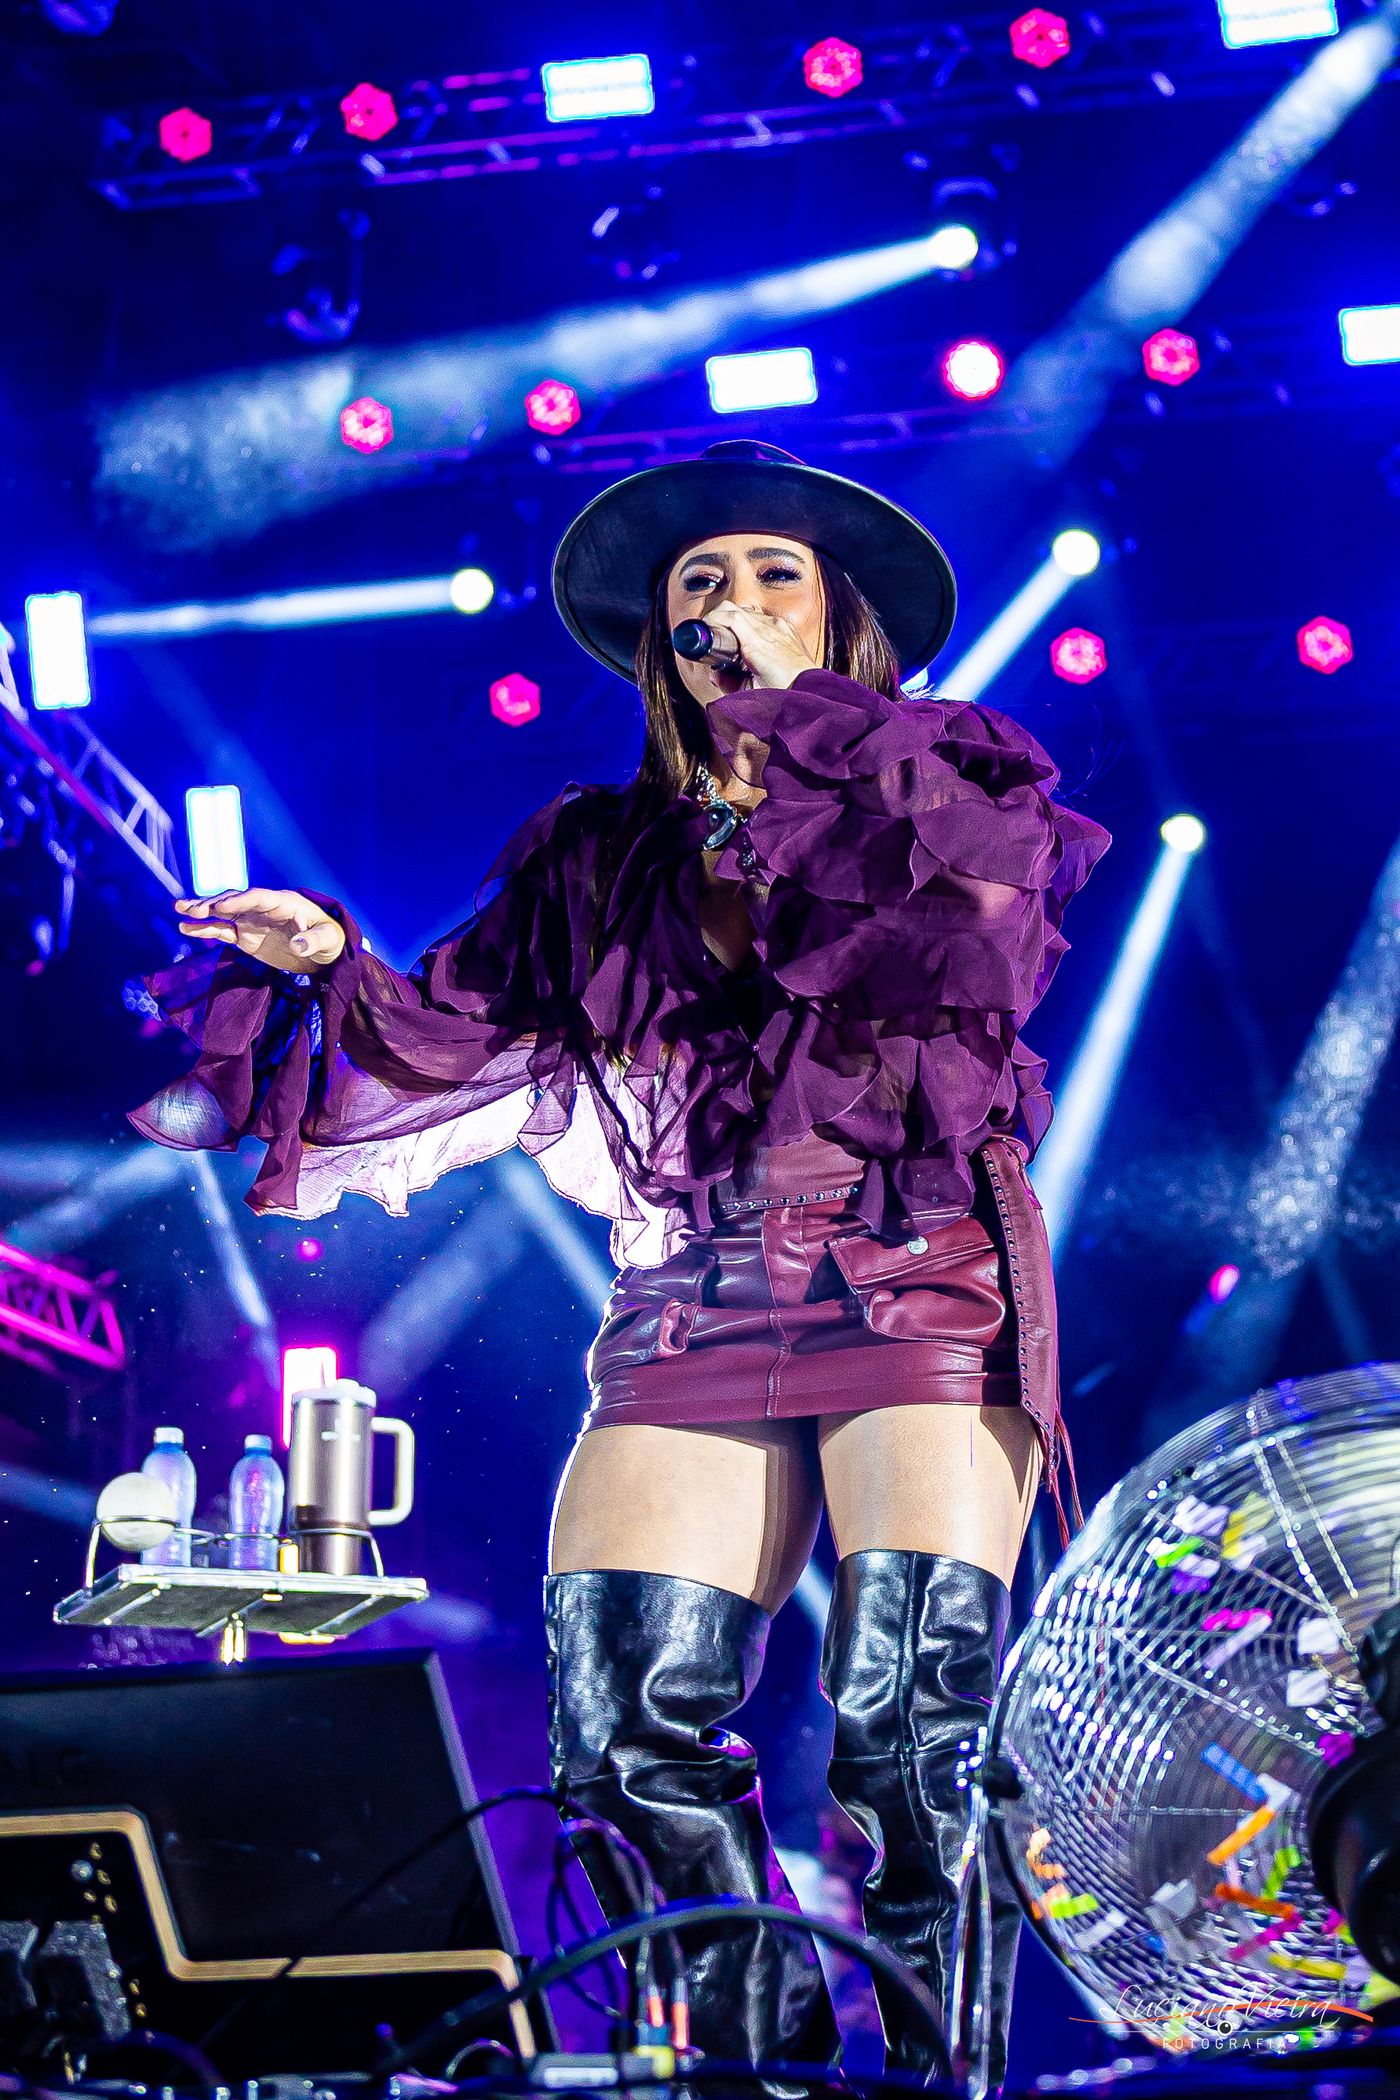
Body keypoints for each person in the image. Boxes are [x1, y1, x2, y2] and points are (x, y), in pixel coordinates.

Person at [128, 440, 1111, 2092]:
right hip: (691, 1290)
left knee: (908, 1737)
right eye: (701, 585)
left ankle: (944, 2084)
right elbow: (446, 1038)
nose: (735, 601)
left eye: (775, 576)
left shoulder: (949, 781)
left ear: (843, 619)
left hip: (912, 1273)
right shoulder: (599, 853)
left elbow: (977, 953)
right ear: (662, 640)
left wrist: (798, 723)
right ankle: (761, 2076)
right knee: (625, 1741)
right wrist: (334, 955)